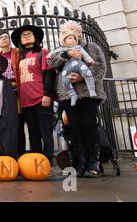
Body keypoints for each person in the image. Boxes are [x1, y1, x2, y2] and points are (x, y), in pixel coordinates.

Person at [47, 21, 107, 177]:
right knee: (74, 128)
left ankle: (93, 162)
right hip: (67, 95)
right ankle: (81, 162)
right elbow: (51, 62)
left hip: (87, 93)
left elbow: (100, 67)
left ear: (79, 34)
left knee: (89, 125)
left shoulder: (90, 48)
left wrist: (83, 76)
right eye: (66, 31)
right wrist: (68, 54)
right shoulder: (58, 51)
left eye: (74, 30)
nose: (71, 32)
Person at [11, 25, 56, 167]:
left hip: (41, 98)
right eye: (23, 35)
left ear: (35, 37)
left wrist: (47, 95)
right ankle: (37, 164)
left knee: (46, 132)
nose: (26, 36)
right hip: (25, 102)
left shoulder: (43, 52)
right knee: (33, 133)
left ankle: (48, 162)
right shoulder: (19, 57)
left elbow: (49, 74)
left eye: (29, 34)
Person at [49, 30, 97, 107]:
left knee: (87, 72)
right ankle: (73, 95)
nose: (73, 40)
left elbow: (86, 55)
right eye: (70, 38)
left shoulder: (79, 47)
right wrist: (50, 55)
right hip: (67, 68)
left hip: (79, 64)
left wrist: (89, 60)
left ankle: (92, 90)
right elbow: (52, 57)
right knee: (65, 80)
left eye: (74, 38)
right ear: (64, 41)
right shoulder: (62, 49)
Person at [0, 31, 25, 157]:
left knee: (18, 122)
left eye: (6, 37)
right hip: (3, 91)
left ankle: (21, 153)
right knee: (6, 123)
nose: (4, 39)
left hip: (16, 88)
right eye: (1, 38)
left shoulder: (17, 53)